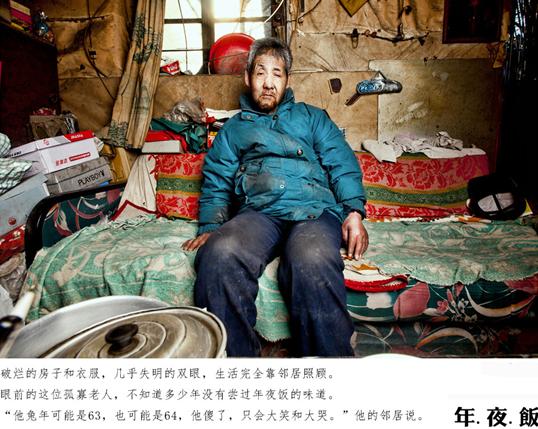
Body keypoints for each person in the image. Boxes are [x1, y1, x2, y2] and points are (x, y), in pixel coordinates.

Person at [183, 37, 368, 357]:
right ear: (247, 77)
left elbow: (342, 163)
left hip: (313, 211)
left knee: (312, 257)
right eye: (260, 73)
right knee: (220, 253)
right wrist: (211, 226)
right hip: (258, 213)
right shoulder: (234, 129)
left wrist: (354, 212)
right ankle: (239, 373)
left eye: (277, 74)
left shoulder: (312, 118)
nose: (268, 83)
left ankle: (330, 375)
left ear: (287, 80)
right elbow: (217, 179)